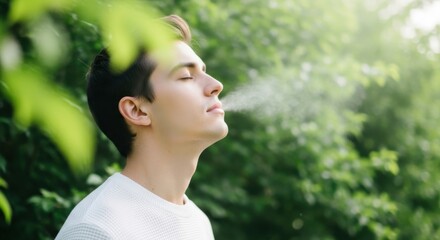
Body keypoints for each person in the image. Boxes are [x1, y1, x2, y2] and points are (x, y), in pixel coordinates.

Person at [55, 15, 228, 240]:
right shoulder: (96, 229)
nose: (216, 85)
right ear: (137, 111)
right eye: (186, 76)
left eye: (204, 71)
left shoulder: (198, 222)